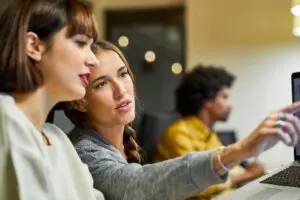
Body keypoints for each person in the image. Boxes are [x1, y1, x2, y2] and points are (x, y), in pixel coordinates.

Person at [65, 40, 300, 200]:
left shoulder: (119, 144)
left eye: (123, 74)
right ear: (79, 100)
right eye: (101, 83)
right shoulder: (83, 151)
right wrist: (242, 149)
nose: (121, 90)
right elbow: (134, 184)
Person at [0, 0, 105, 199]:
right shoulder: (5, 119)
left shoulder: (57, 138)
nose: (94, 60)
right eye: (81, 43)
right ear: (34, 46)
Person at [153, 65, 265, 199]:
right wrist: (245, 175)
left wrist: (249, 167)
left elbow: (226, 168)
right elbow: (196, 183)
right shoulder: (177, 134)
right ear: (207, 101)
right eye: (224, 97)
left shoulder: (209, 134)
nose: (230, 104)